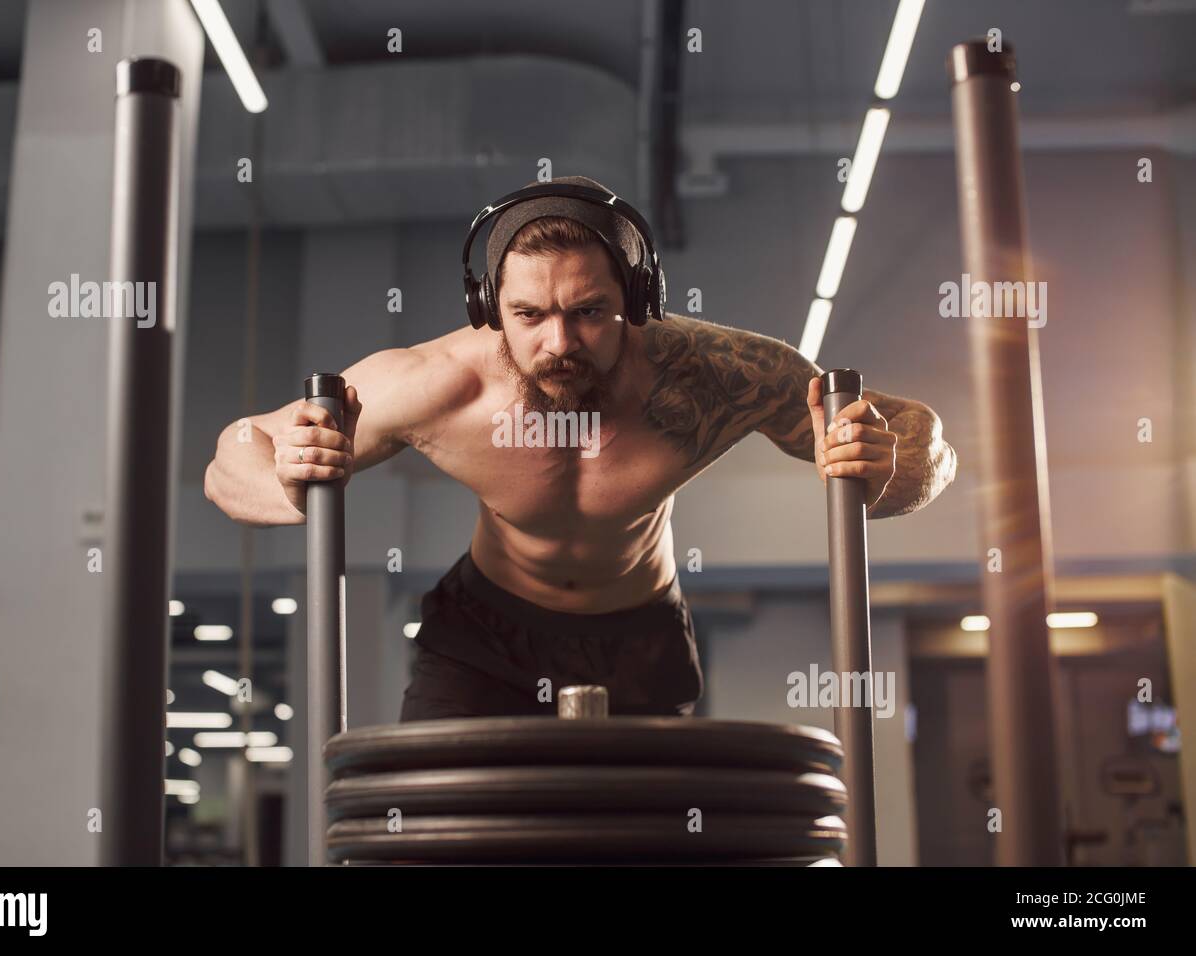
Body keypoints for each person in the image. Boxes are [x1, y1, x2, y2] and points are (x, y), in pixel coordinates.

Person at [204, 176, 956, 720]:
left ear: (634, 299)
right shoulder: (436, 384)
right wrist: (287, 477)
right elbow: (236, 451)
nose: (558, 342)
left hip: (641, 635)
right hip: (480, 639)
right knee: (437, 842)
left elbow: (925, 441)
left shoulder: (719, 374)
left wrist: (893, 465)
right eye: (529, 314)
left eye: (589, 312)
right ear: (488, 307)